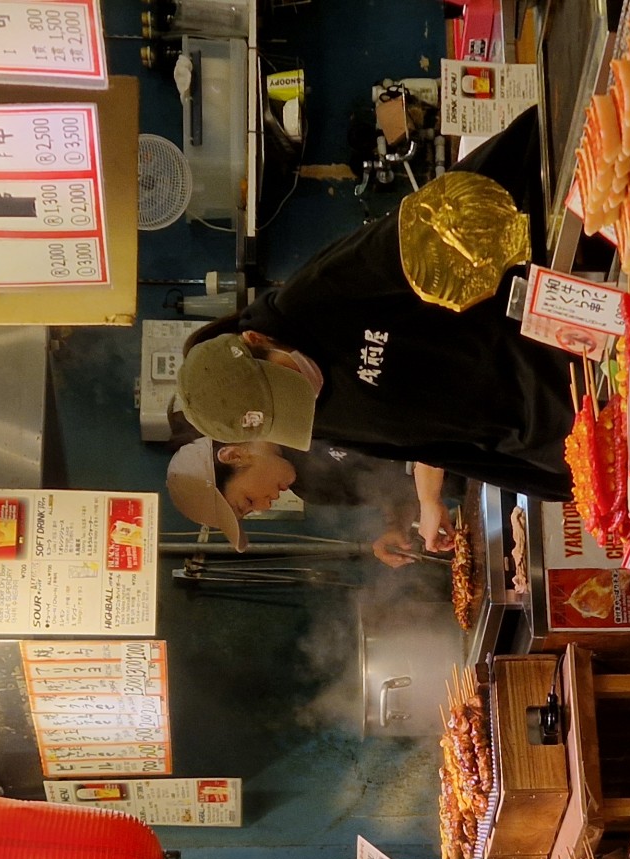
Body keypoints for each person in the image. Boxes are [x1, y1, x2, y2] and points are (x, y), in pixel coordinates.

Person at [175, 106, 574, 553]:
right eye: (281, 413)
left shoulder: (318, 297)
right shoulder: (309, 422)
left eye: (284, 385)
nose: (302, 400)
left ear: (257, 340)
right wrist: (554, 478)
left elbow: (455, 216)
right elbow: (432, 442)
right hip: (560, 432)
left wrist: (559, 285)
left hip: (563, 339)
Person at [166, 436, 438, 567]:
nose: (265, 506)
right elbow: (395, 492)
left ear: (234, 456)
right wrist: (397, 527)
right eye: (250, 511)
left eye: (248, 499)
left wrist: (429, 498)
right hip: (460, 476)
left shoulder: (305, 409)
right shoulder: (311, 490)